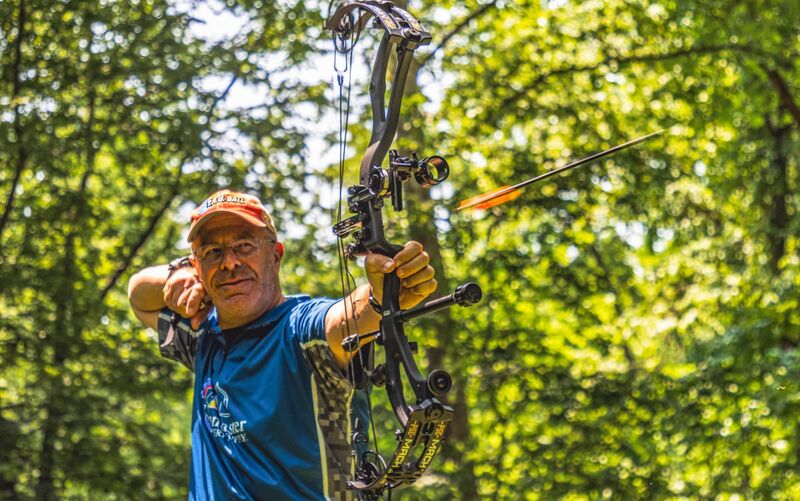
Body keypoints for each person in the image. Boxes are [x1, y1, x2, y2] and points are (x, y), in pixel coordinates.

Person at [127, 189, 437, 500]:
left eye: (244, 246)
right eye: (213, 252)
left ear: (275, 255)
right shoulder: (202, 336)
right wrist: (178, 273)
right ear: (199, 266)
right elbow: (138, 295)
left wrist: (380, 298)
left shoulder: (299, 330)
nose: (229, 263)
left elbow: (342, 320)